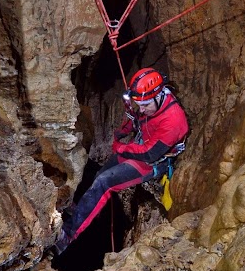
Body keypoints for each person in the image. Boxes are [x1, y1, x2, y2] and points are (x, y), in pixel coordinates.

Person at [53, 67, 188, 255]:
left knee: (104, 182)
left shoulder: (173, 121)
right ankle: (82, 210)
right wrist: (124, 130)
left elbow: (150, 154)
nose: (142, 109)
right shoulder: (150, 103)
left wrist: (123, 148)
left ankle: (68, 234)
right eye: (139, 104)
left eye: (146, 105)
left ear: (159, 96)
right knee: (100, 174)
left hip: (153, 163)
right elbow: (137, 119)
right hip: (139, 149)